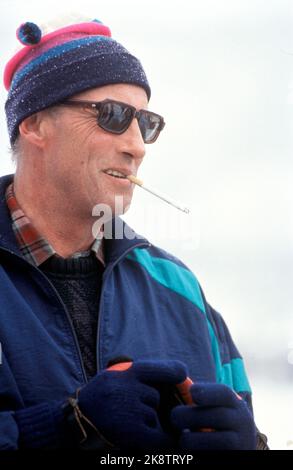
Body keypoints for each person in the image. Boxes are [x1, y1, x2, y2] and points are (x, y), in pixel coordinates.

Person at [0, 17, 268, 451]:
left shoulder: (180, 288)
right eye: (112, 115)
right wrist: (66, 427)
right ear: (34, 123)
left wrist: (250, 444)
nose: (137, 146)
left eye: (145, 124)